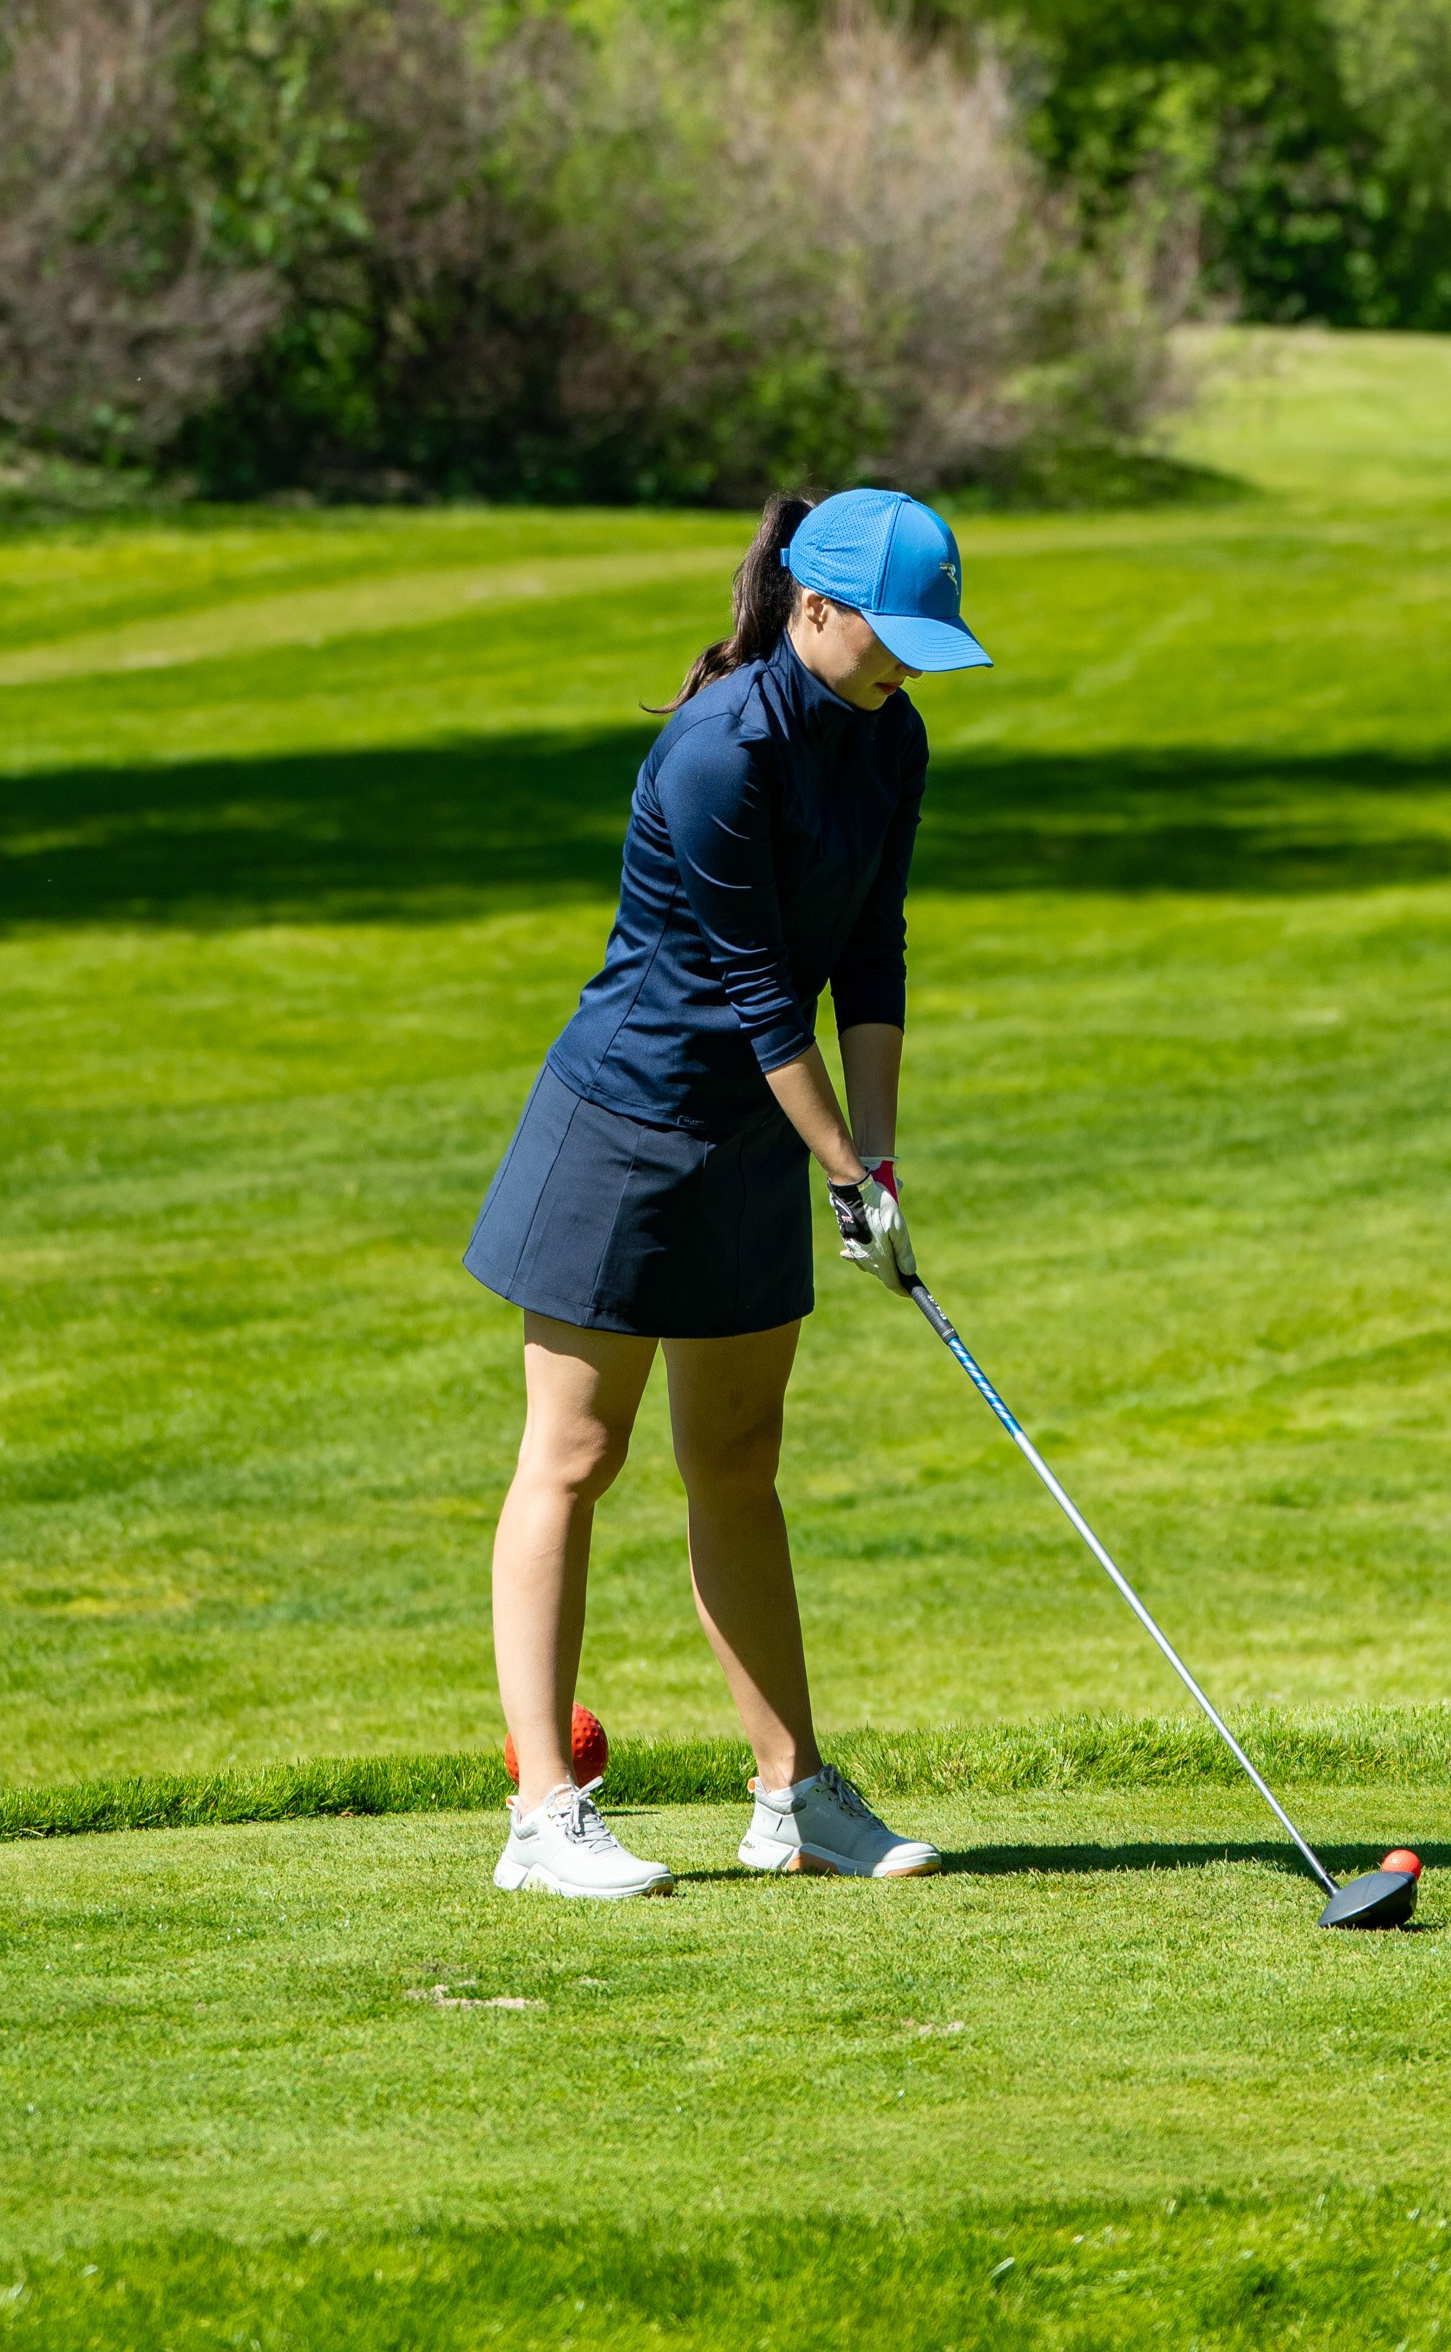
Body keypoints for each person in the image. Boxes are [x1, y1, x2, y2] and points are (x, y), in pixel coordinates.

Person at [463, 483, 990, 1900]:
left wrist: (872, 1162)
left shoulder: (892, 737)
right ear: (811, 610)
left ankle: (791, 1798)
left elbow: (869, 953)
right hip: (626, 1129)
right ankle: (542, 1818)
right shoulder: (718, 751)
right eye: (888, 638)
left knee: (738, 1467)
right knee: (575, 1458)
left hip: (762, 1137)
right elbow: (760, 993)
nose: (902, 671)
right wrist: (838, 1166)